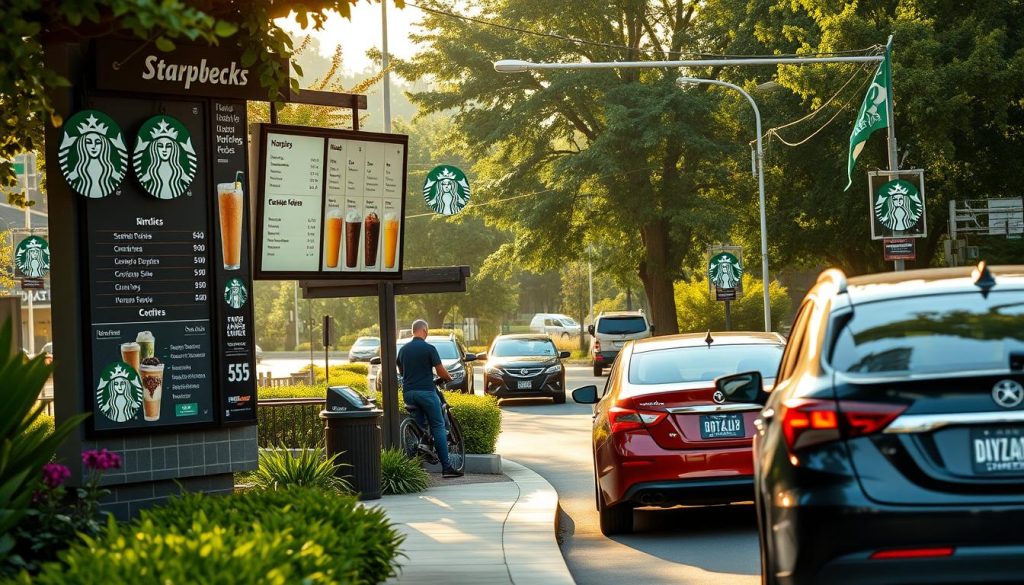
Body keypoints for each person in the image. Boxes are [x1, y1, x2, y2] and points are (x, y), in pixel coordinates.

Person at [397, 319, 462, 478]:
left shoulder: (403, 350)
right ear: (424, 331)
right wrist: (449, 378)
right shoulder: (429, 348)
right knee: (438, 425)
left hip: (408, 393)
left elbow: (402, 372)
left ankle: (423, 445)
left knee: (420, 424)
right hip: (426, 392)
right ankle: (446, 467)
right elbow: (440, 372)